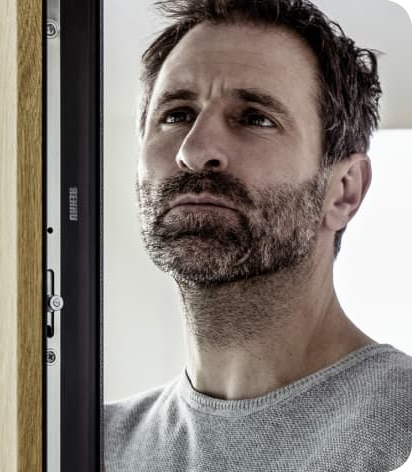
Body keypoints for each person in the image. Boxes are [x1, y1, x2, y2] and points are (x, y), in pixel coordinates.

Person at [103, 0, 412, 470]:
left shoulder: (399, 428)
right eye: (177, 114)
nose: (194, 151)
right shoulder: (86, 444)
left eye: (255, 118)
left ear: (344, 191)